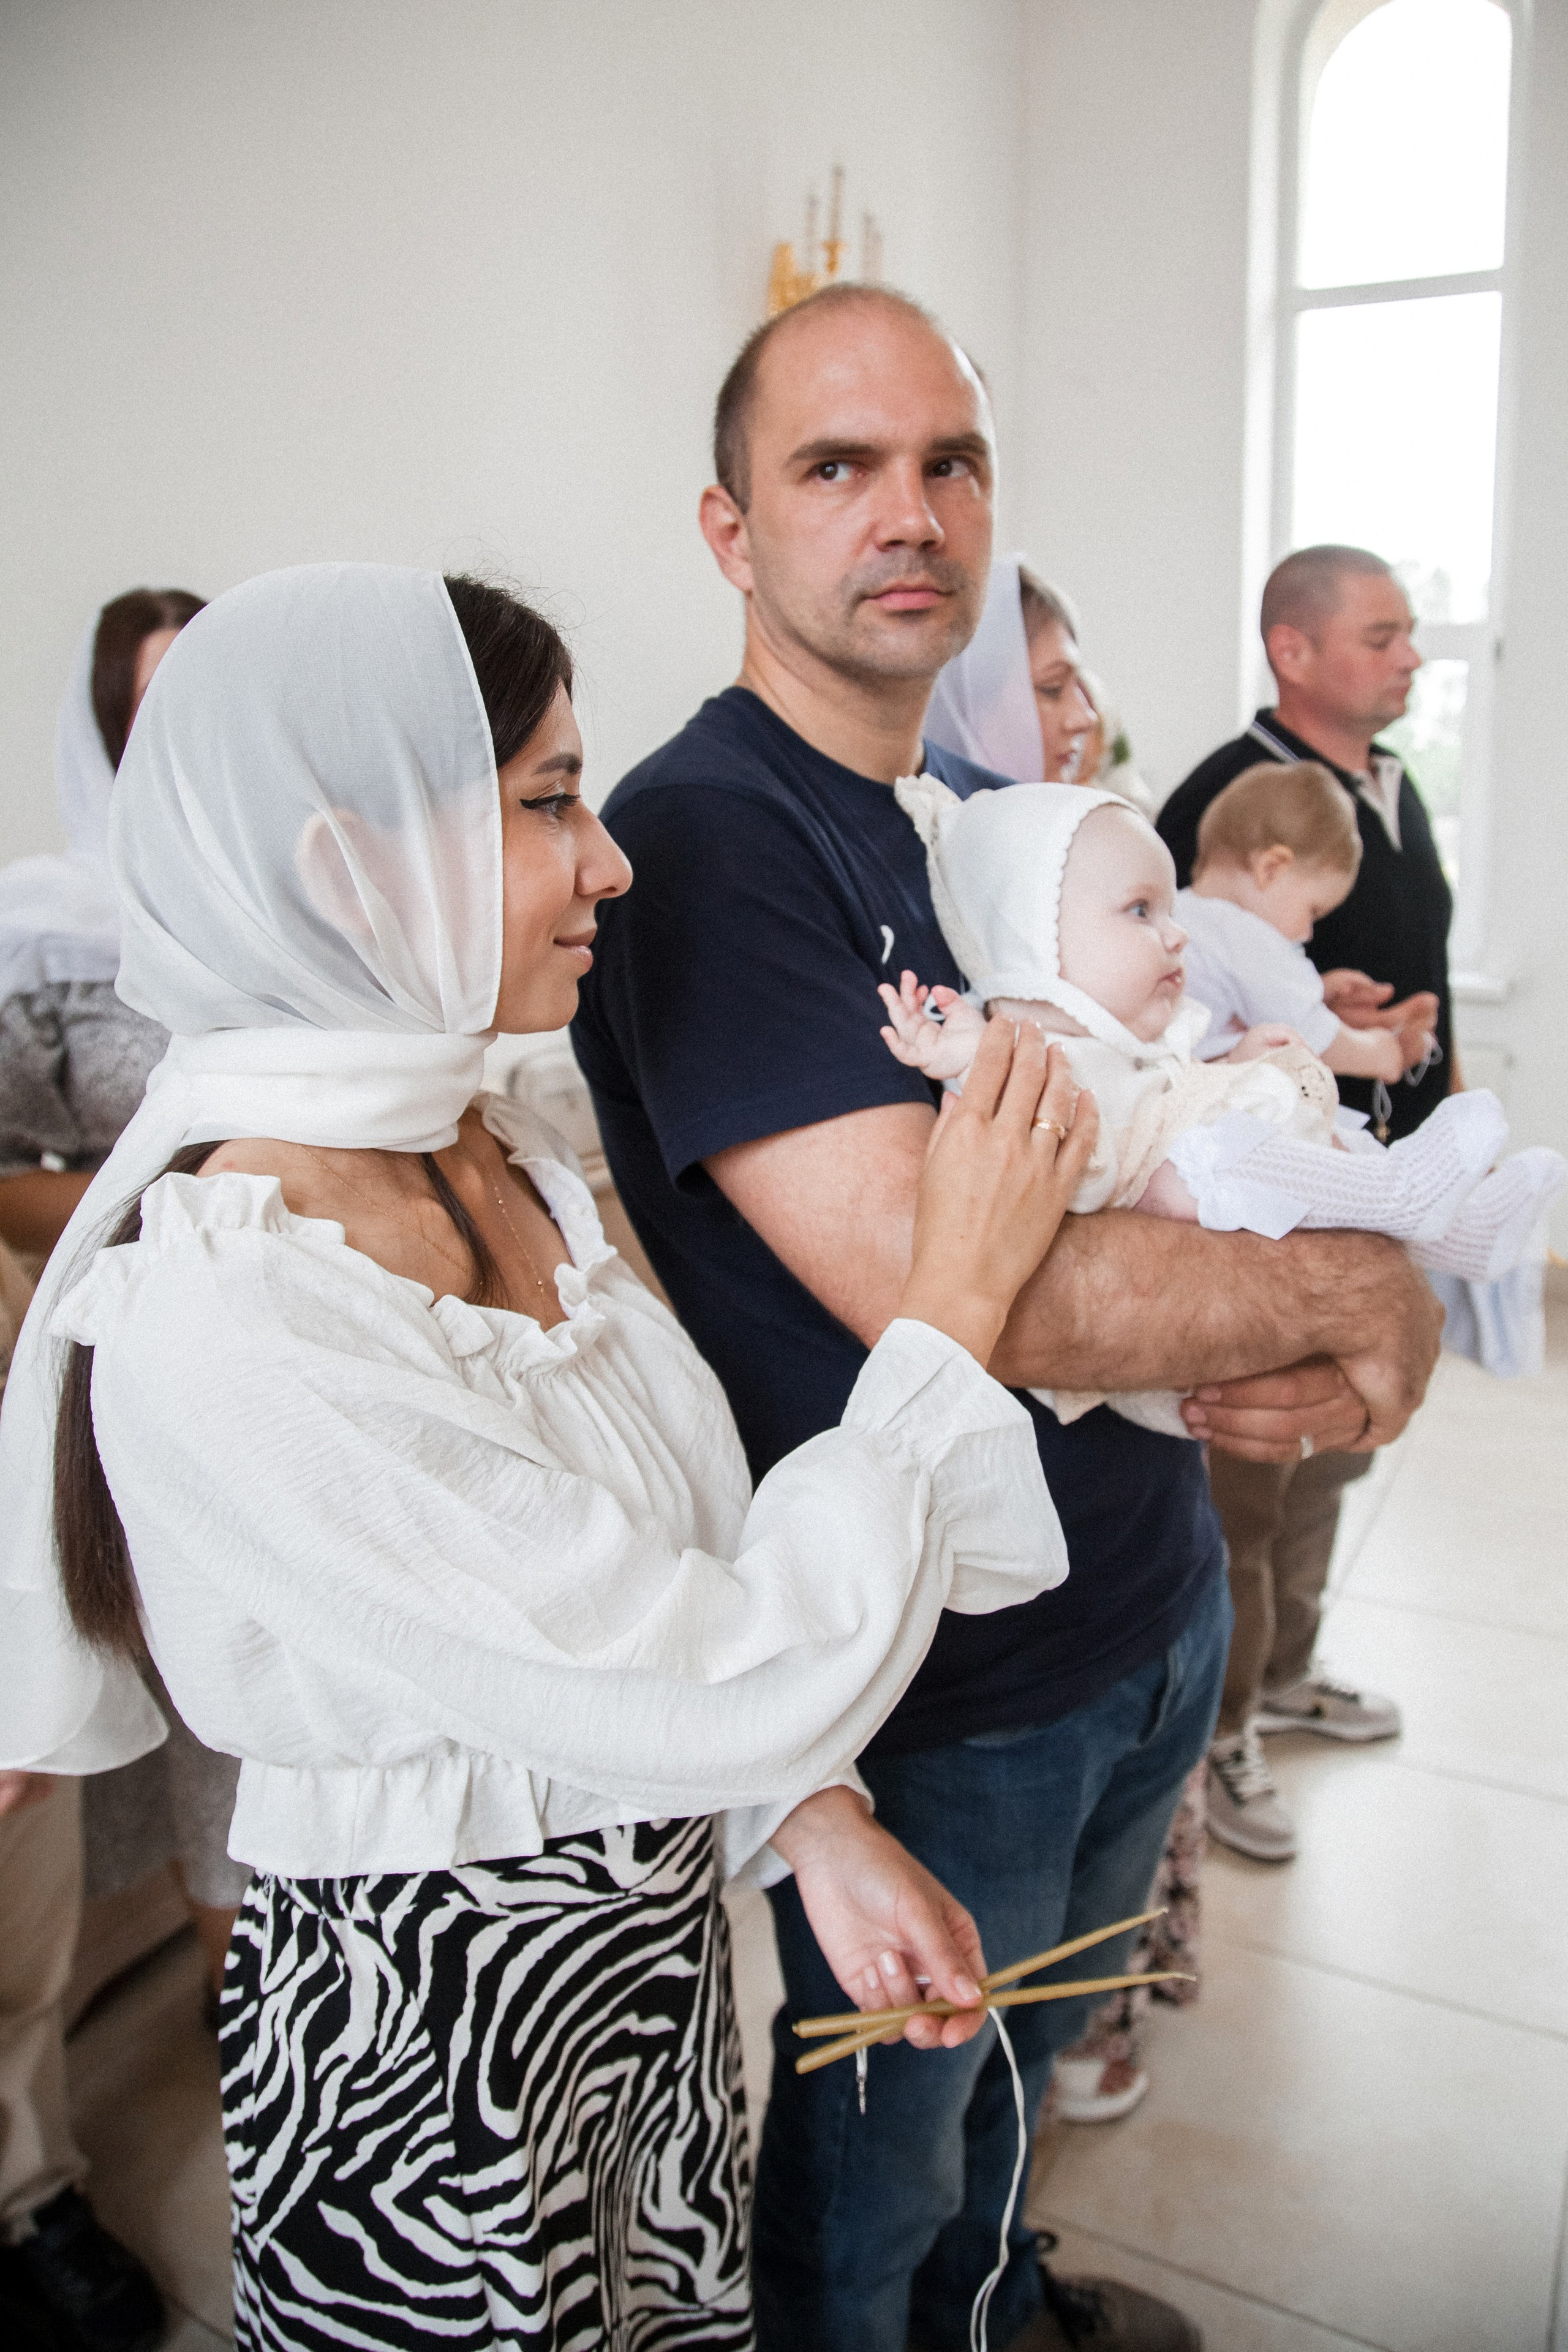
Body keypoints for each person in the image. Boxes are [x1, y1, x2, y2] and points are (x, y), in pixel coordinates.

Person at [0, 562, 1095, 2351]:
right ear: (350, 866)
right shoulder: (239, 1313)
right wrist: (953, 1295)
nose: (612, 860)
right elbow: (707, 1654)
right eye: (545, 800)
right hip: (438, 2059)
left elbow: (657, 1556)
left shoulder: (502, 1141)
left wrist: (806, 1817)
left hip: (643, 1980)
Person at [571, 282, 1443, 2352]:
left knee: (1016, 2107)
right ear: (731, 530)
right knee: (883, 2173)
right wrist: (1349, 1276)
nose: (909, 514)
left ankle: (1002, 2293)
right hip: (953, 1689)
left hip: (1137, 1605)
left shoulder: (952, 825)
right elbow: (970, 1286)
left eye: (950, 463)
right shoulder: (714, 836)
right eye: (838, 466)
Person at [879, 777, 1555, 1441]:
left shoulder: (1121, 1040)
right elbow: (1046, 1131)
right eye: (1141, 911)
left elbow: (1153, 1101)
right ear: (1034, 940)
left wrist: (1233, 1068)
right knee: (1224, 1158)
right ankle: (1404, 1192)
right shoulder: (1030, 1050)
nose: (1178, 936)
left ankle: (1464, 1231)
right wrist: (959, 1052)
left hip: (1187, 1267)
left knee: (1295, 1136)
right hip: (1159, 1239)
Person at [1157, 545, 1456, 1861]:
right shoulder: (1220, 802)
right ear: (1293, 650)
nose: (1410, 659)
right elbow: (1176, 999)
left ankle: (1285, 1674)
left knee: (1338, 1444)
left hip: (1368, 1182)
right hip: (1265, 1206)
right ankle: (1222, 1728)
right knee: (1249, 1482)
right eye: (1383, 636)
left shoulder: (1389, 789)